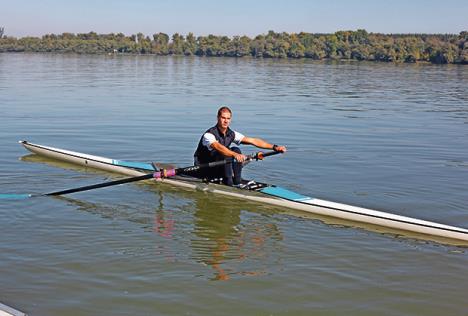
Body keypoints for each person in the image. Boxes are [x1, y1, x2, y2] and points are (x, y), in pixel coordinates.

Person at [193, 106, 286, 186]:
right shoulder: (209, 135)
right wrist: (234, 155)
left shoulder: (231, 134)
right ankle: (229, 183)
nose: (226, 121)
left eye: (228, 118)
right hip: (204, 167)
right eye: (223, 118)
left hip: (220, 164)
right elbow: (218, 147)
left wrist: (274, 147)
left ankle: (237, 182)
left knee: (236, 149)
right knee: (228, 153)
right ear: (218, 118)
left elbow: (253, 141)